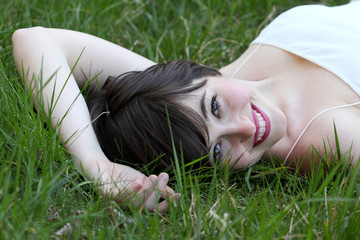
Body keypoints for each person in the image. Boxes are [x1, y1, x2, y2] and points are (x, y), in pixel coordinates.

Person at [12, 0, 360, 213]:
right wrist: (96, 169)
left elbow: (36, 39)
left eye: (216, 108)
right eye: (219, 151)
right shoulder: (325, 136)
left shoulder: (193, 90)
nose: (245, 129)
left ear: (197, 73)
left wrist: (92, 158)